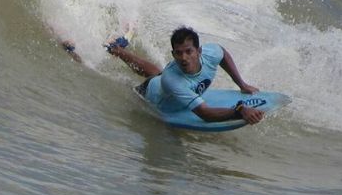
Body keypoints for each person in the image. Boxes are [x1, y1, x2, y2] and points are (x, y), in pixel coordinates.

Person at [107, 27, 264, 124]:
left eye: (189, 51)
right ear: (173, 54)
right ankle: (115, 50)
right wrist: (240, 110)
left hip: (165, 82)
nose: (183, 58)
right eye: (178, 53)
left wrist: (241, 84)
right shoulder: (173, 80)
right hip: (149, 95)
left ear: (199, 50)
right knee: (155, 78)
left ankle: (119, 50)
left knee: (158, 74)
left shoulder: (211, 53)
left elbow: (223, 54)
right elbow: (205, 114)